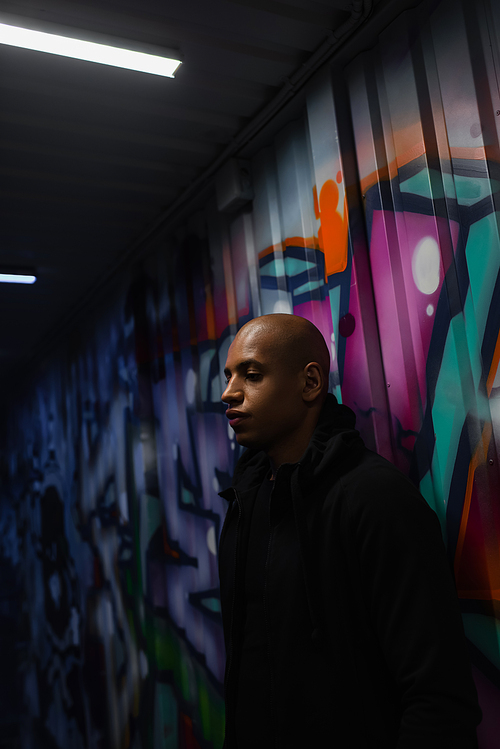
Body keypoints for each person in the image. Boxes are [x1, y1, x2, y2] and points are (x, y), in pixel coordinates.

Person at [218, 313, 481, 749]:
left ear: (310, 383)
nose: (229, 392)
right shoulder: (246, 502)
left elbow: (438, 697)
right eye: (229, 376)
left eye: (252, 374)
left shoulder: (374, 499)